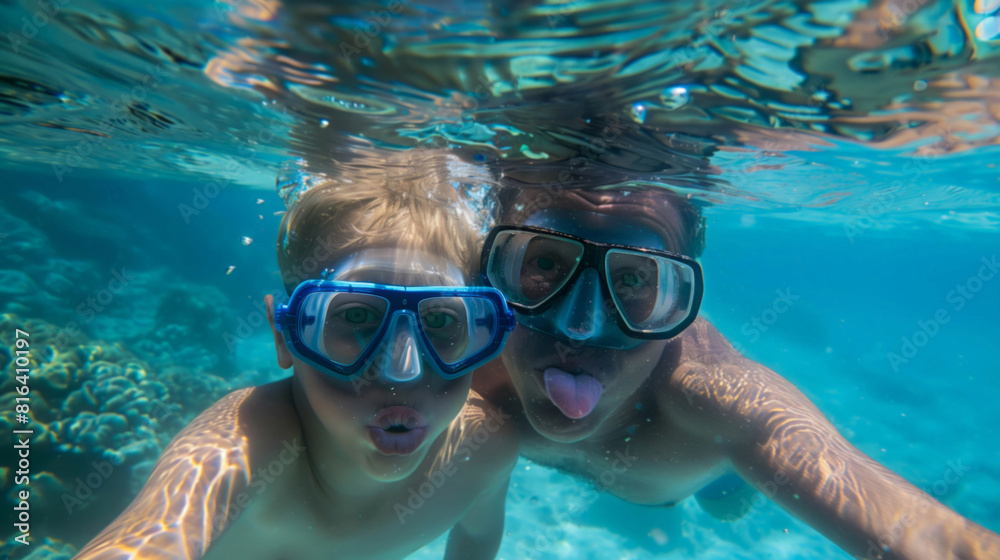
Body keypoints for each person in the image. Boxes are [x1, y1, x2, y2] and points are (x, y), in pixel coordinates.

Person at [472, 180, 1000, 559]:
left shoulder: (719, 401)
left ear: (679, 306)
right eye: (543, 264)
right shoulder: (453, 351)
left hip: (706, 479)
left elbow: (932, 541)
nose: (578, 328)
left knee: (725, 508)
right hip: (656, 477)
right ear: (491, 270)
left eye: (632, 281)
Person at [75, 151, 519, 560]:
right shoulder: (240, 450)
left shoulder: (485, 448)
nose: (402, 370)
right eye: (358, 316)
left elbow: (477, 537)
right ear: (285, 335)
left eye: (441, 322)